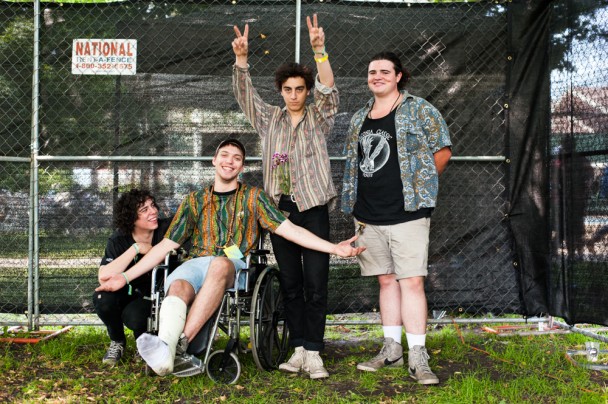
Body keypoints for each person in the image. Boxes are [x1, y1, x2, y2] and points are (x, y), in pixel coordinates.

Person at [95, 139, 365, 377]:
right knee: (177, 285)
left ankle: (178, 345)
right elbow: (165, 245)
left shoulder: (255, 198)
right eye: (224, 155)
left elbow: (290, 230)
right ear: (214, 160)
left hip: (234, 266)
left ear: (242, 167)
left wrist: (334, 248)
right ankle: (167, 351)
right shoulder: (194, 200)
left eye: (237, 158)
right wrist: (124, 277)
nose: (229, 161)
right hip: (196, 262)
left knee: (221, 263)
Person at [232, 14, 339, 379]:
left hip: (313, 209)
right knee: (291, 284)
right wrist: (241, 60)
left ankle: (315, 351)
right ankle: (298, 348)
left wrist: (319, 51)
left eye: (300, 89)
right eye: (288, 89)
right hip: (280, 213)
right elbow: (245, 97)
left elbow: (329, 90)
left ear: (307, 91)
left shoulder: (319, 118)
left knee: (316, 284)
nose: (294, 95)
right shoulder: (270, 119)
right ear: (281, 91)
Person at [341, 52, 452, 385]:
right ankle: (391, 350)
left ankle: (418, 354)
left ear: (398, 76)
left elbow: (442, 150)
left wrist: (421, 188)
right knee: (386, 280)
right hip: (368, 214)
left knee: (412, 281)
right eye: (372, 71)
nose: (377, 76)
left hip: (408, 213)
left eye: (384, 71)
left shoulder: (420, 109)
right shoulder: (359, 117)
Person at [93, 189, 170, 366]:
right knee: (102, 298)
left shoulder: (167, 229)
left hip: (155, 295)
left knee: (135, 317)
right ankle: (117, 341)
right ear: (131, 218)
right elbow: (104, 276)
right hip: (128, 292)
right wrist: (136, 248)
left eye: (153, 205)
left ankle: (144, 344)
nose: (153, 211)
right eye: (144, 209)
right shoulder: (119, 239)